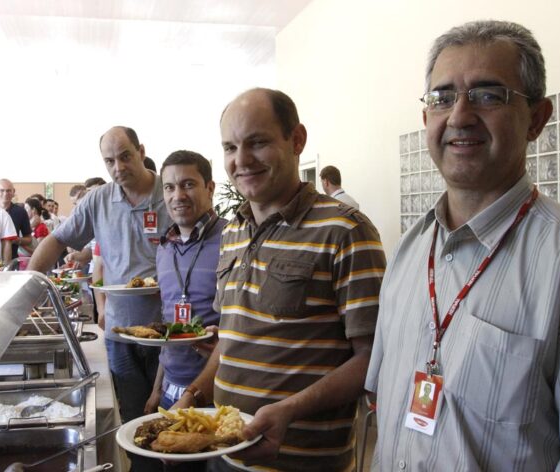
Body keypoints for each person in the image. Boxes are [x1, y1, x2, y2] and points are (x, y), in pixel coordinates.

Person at [365, 20, 560, 470]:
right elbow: (381, 402)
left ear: (537, 119)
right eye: (442, 97)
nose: (459, 115)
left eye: (489, 95)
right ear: (426, 116)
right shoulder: (409, 253)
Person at [177, 88, 386, 471]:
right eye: (229, 148)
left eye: (257, 143)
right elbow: (232, 338)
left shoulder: (345, 230)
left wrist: (288, 410)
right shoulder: (233, 232)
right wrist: (192, 395)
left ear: (297, 140)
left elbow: (375, 359)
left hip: (302, 462)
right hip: (223, 453)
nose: (241, 161)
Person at [28, 126, 172, 472]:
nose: (118, 167)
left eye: (125, 156)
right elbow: (58, 240)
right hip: (121, 331)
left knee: (170, 418)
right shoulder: (99, 200)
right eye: (110, 161)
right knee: (133, 418)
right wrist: (29, 284)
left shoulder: (168, 192)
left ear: (141, 150)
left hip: (170, 329)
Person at [145, 150, 226, 419]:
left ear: (210, 188)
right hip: (170, 388)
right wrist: (157, 388)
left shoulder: (233, 240)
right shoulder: (165, 248)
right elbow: (169, 320)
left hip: (217, 391)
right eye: (169, 187)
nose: (177, 195)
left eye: (188, 184)